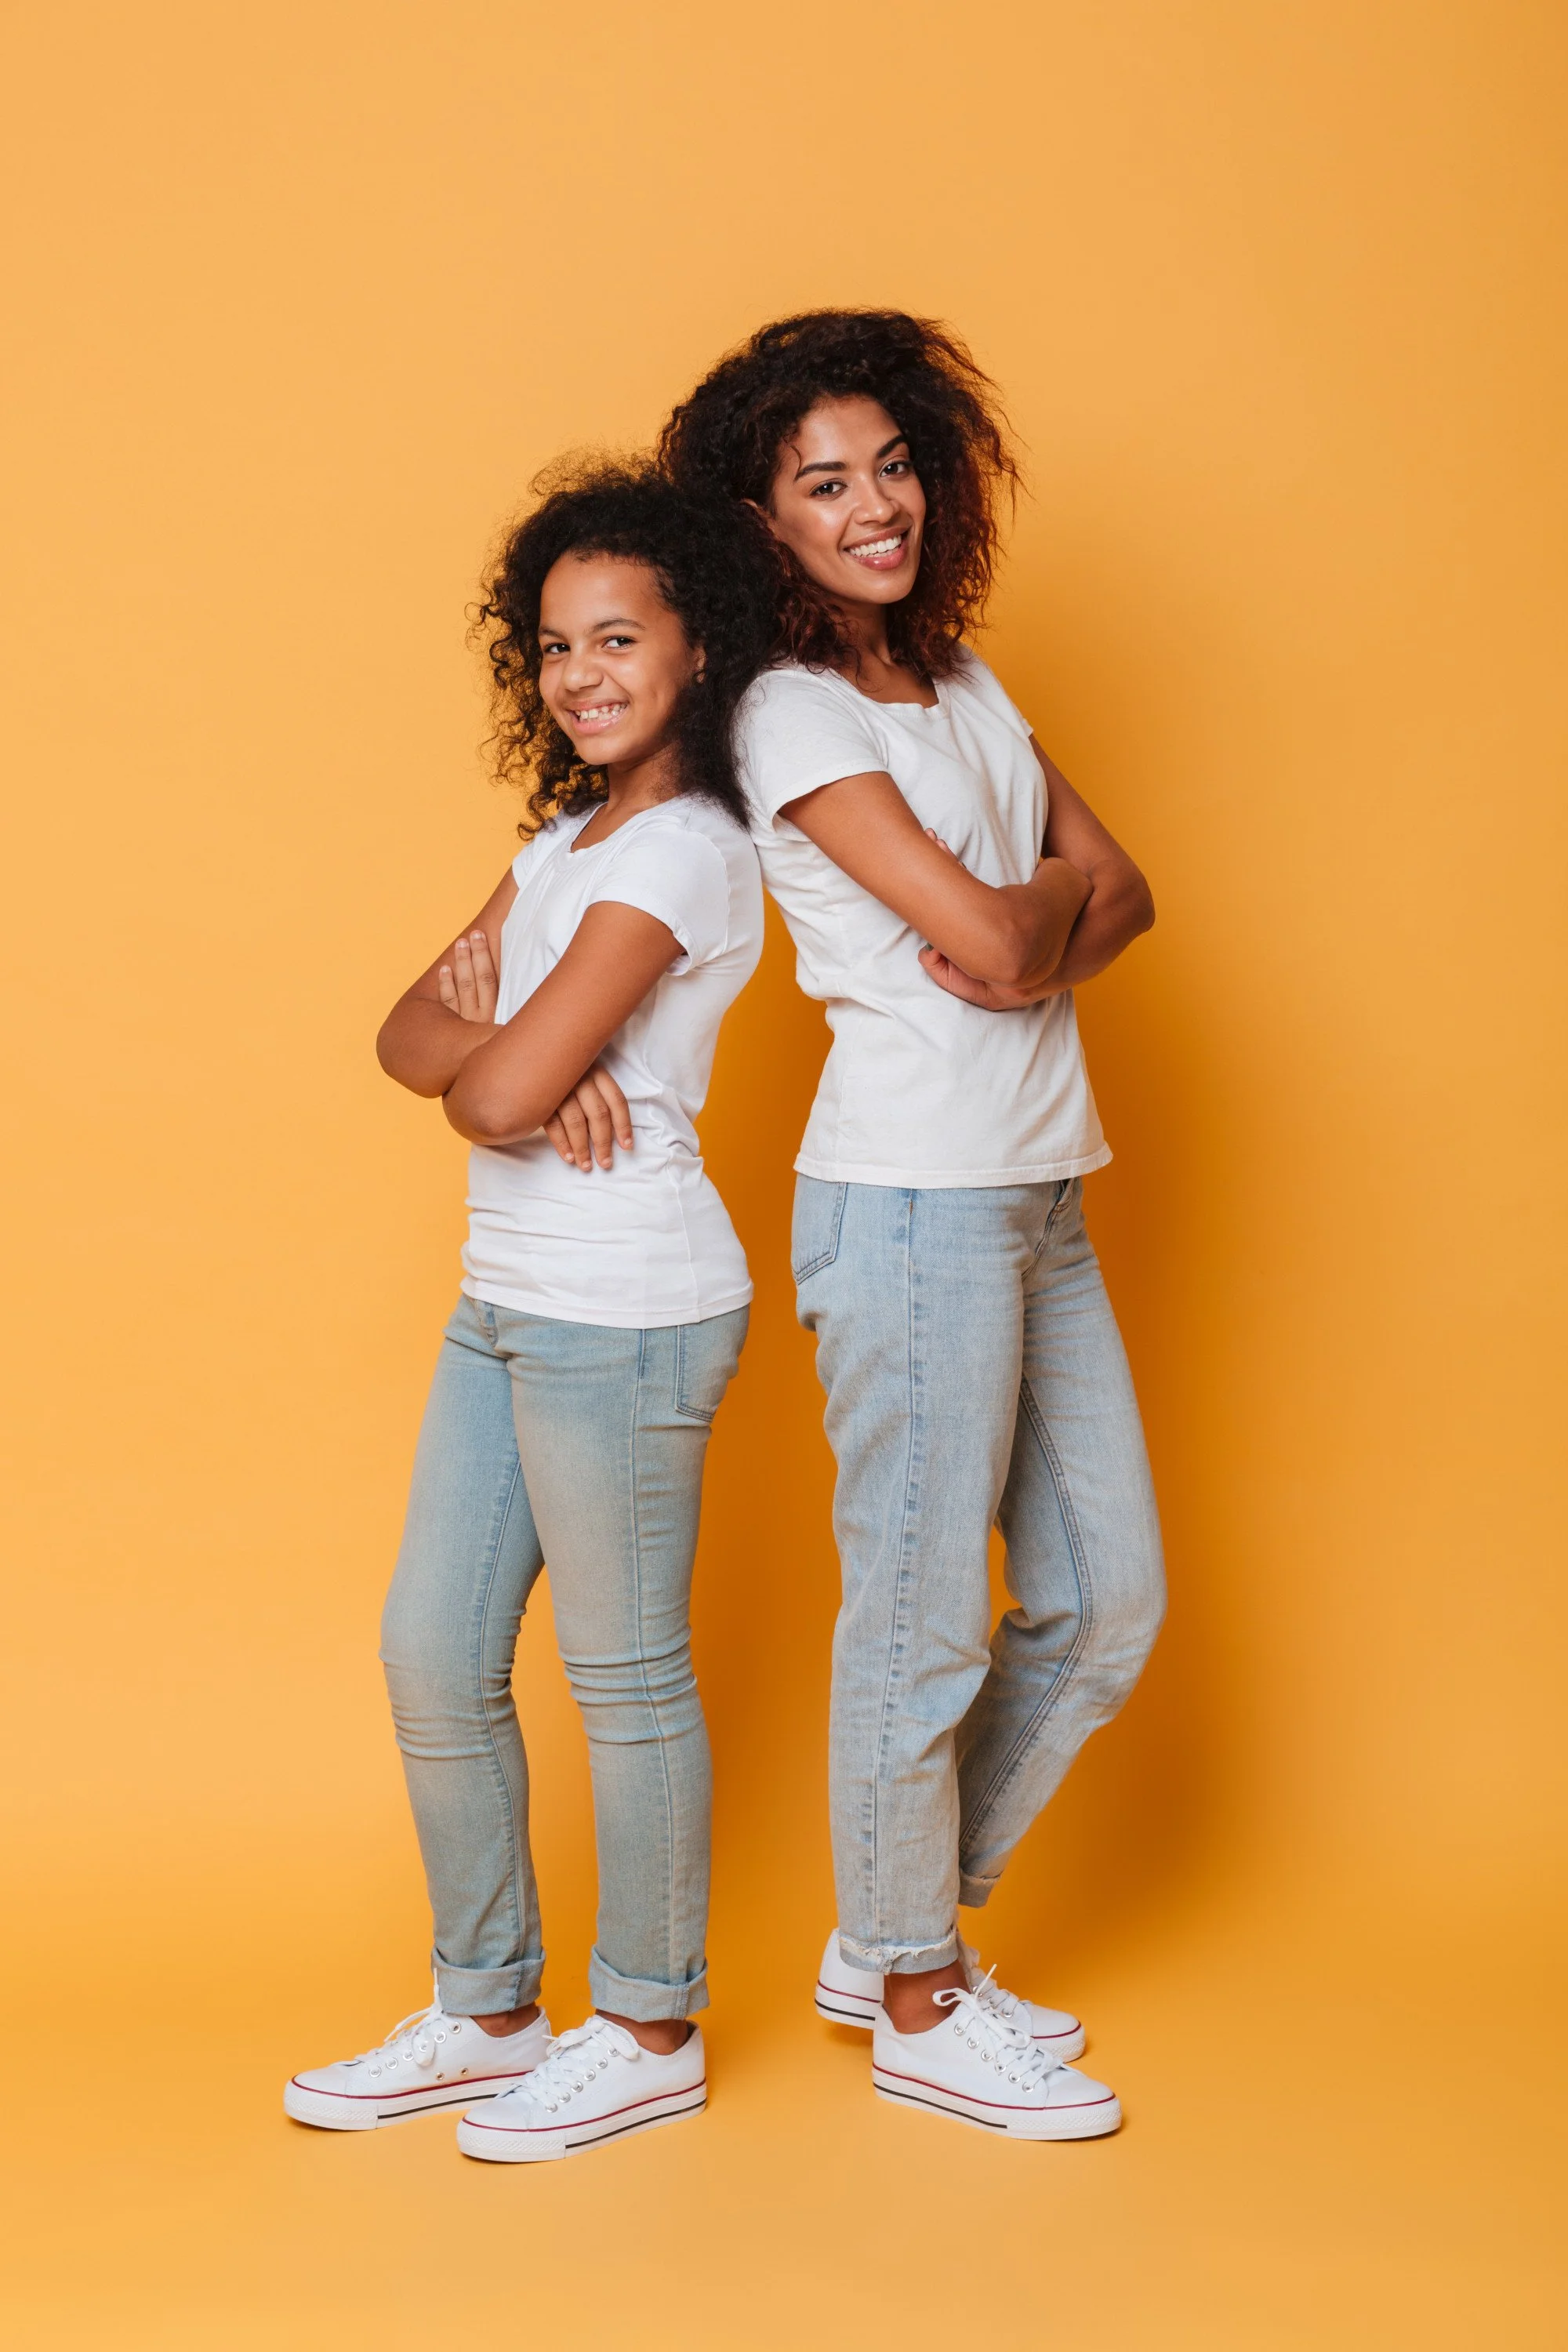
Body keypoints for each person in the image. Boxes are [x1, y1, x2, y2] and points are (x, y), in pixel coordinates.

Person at [659, 310, 1167, 2141]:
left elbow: (1112, 898)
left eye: (893, 467)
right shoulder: (787, 711)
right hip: (906, 1203)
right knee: (921, 1615)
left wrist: (1020, 926)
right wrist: (1023, 920)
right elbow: (1011, 927)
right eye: (825, 483)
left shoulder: (958, 682)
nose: (875, 506)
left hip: (1036, 1187)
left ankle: (892, 1931)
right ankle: (915, 1992)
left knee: (1105, 1605)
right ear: (760, 523)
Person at [284, 463, 774, 2163]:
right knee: (433, 1654)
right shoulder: (563, 845)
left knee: (623, 1676)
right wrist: (515, 1056)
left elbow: (483, 1087)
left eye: (618, 638)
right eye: (556, 645)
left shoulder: (693, 854)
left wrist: (503, 1063)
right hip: (506, 1295)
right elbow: (408, 1038)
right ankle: (490, 2013)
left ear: (698, 649)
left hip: (626, 1309)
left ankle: (646, 2026)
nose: (581, 674)